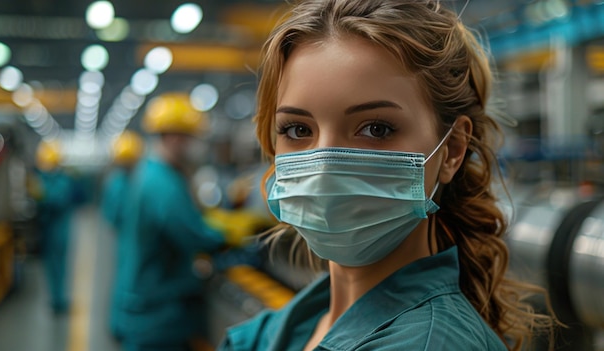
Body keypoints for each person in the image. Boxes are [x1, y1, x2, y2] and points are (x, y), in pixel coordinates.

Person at [217, 1, 559, 350]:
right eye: (297, 129)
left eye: (376, 128)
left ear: (452, 150)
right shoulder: (277, 332)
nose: (323, 167)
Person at [117, 93, 227, 351]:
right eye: (192, 138)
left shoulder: (150, 172)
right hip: (159, 313)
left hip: (148, 302)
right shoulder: (163, 184)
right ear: (174, 137)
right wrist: (227, 237)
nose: (196, 146)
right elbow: (193, 235)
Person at [100, 130, 145, 340]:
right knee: (127, 279)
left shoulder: (117, 181)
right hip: (129, 236)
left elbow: (110, 213)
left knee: (124, 277)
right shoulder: (126, 181)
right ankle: (121, 325)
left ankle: (119, 324)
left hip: (127, 236)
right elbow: (115, 213)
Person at [32, 139, 77, 314]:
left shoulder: (63, 180)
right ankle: (55, 298)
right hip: (47, 230)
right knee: (50, 267)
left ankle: (59, 300)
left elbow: (57, 200)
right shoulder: (42, 178)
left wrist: (41, 195)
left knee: (59, 267)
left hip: (59, 231)